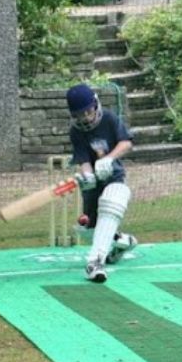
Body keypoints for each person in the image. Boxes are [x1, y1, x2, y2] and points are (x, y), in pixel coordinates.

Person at [66, 83, 137, 283]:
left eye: (88, 112)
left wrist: (108, 159)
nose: (86, 118)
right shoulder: (75, 132)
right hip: (93, 187)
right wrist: (87, 176)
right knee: (88, 232)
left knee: (113, 200)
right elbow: (83, 161)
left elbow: (126, 143)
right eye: (79, 115)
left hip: (113, 176)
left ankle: (95, 262)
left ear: (96, 104)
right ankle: (123, 241)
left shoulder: (109, 118)